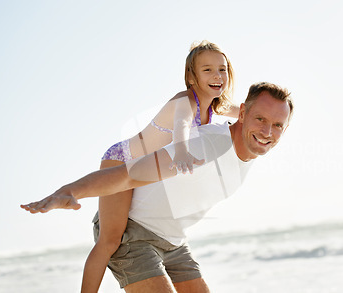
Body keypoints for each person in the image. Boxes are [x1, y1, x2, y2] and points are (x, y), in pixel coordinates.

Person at [21, 82, 294, 293]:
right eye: (260, 119)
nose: (268, 132)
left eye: (278, 125)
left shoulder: (249, 149)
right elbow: (129, 175)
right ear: (244, 113)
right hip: (133, 233)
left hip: (174, 243)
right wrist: (69, 191)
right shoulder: (207, 145)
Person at [86, 40, 239, 293]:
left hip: (145, 170)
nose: (217, 75)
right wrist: (182, 151)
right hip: (121, 159)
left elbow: (248, 112)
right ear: (192, 76)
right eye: (207, 70)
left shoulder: (216, 105)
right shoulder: (186, 101)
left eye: (222, 69)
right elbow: (182, 126)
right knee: (110, 239)